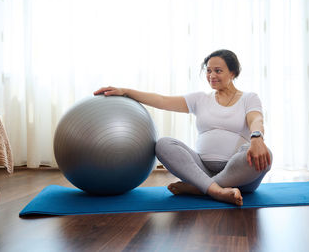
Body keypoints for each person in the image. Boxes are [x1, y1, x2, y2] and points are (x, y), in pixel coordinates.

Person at [94, 49, 272, 206]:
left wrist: (257, 137)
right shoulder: (200, 99)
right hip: (202, 168)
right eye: (208, 71)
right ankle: (216, 190)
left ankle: (200, 188)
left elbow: (256, 119)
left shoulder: (249, 98)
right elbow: (162, 100)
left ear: (233, 73)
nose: (212, 76)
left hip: (240, 176)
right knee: (164, 144)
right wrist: (126, 91)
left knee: (266, 155)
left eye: (218, 71)